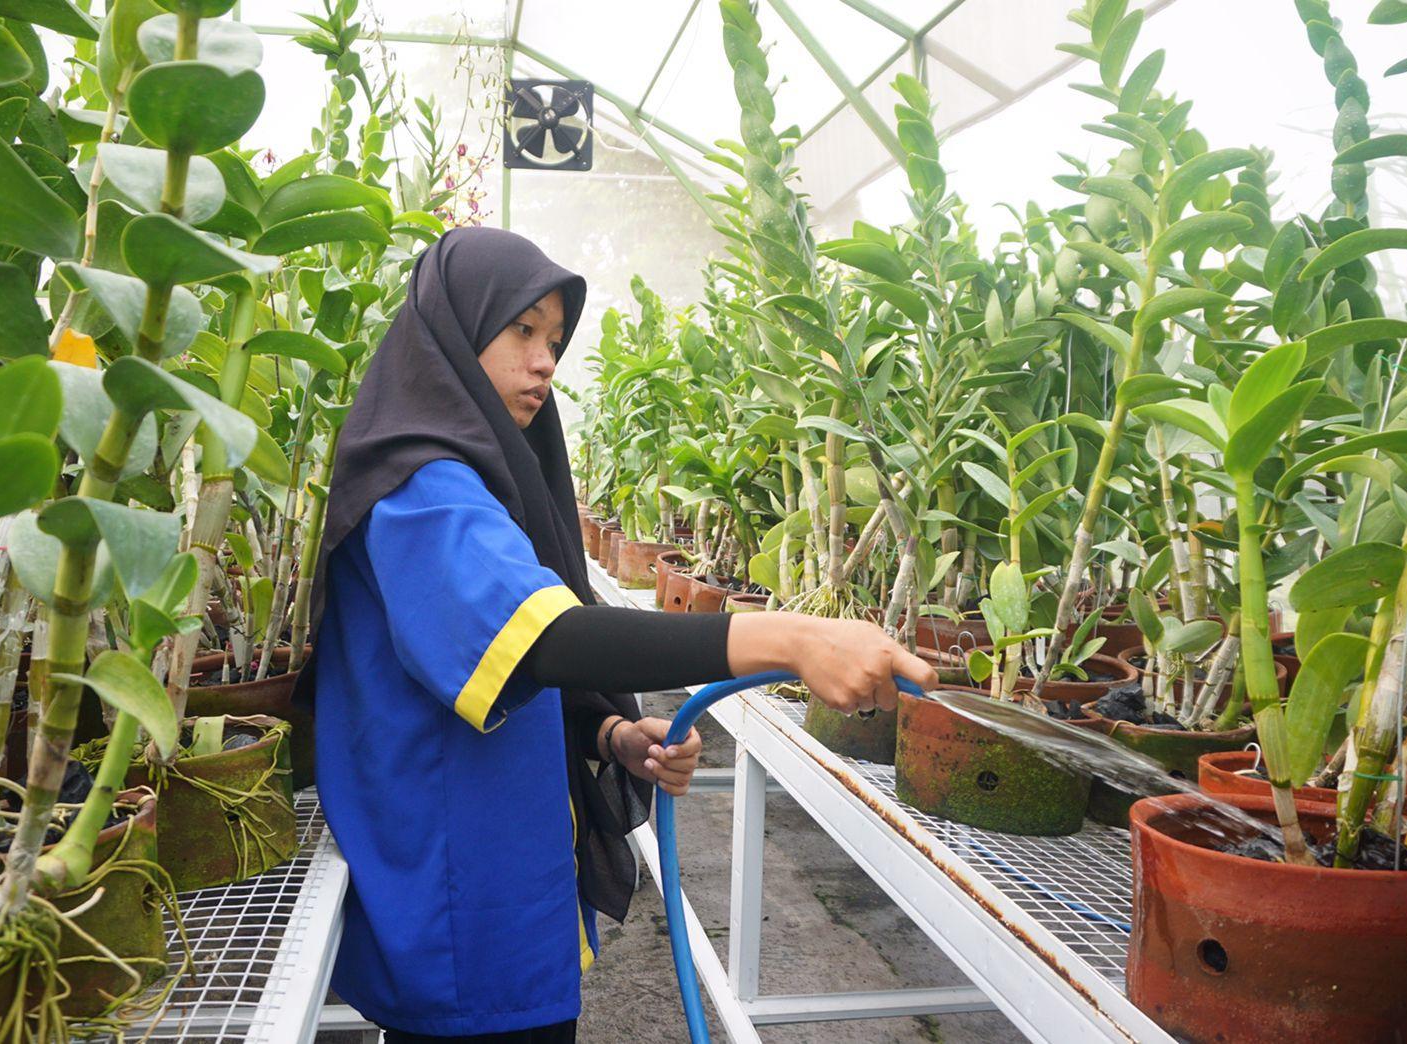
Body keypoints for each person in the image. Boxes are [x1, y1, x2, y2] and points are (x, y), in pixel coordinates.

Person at [298, 227, 938, 1043]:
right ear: (453, 329)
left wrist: (606, 731)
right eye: (522, 330)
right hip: (462, 889)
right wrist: (786, 638)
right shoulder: (423, 488)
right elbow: (542, 643)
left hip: (498, 862)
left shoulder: (459, 474)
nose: (544, 362)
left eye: (555, 340)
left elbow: (479, 658)